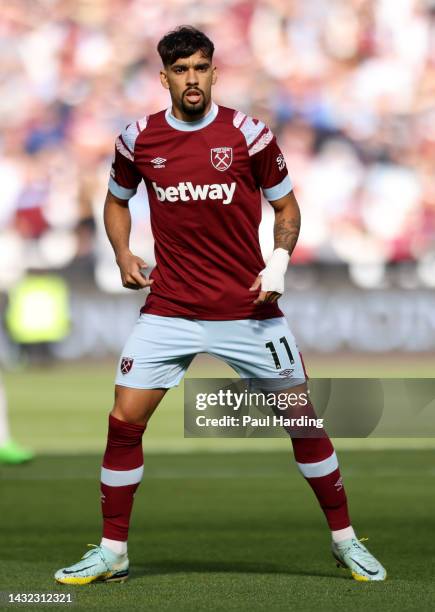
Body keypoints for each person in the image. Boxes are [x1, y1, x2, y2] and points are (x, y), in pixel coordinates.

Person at [55, 26, 386, 584]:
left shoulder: (250, 135)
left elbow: (287, 210)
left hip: (247, 311)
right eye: (181, 70)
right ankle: (113, 552)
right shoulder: (138, 139)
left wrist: (277, 263)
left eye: (201, 68)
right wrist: (121, 252)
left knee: (303, 423)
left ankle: (346, 541)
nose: (192, 79)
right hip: (169, 310)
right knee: (123, 421)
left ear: (214, 72)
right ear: (164, 77)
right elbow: (115, 201)